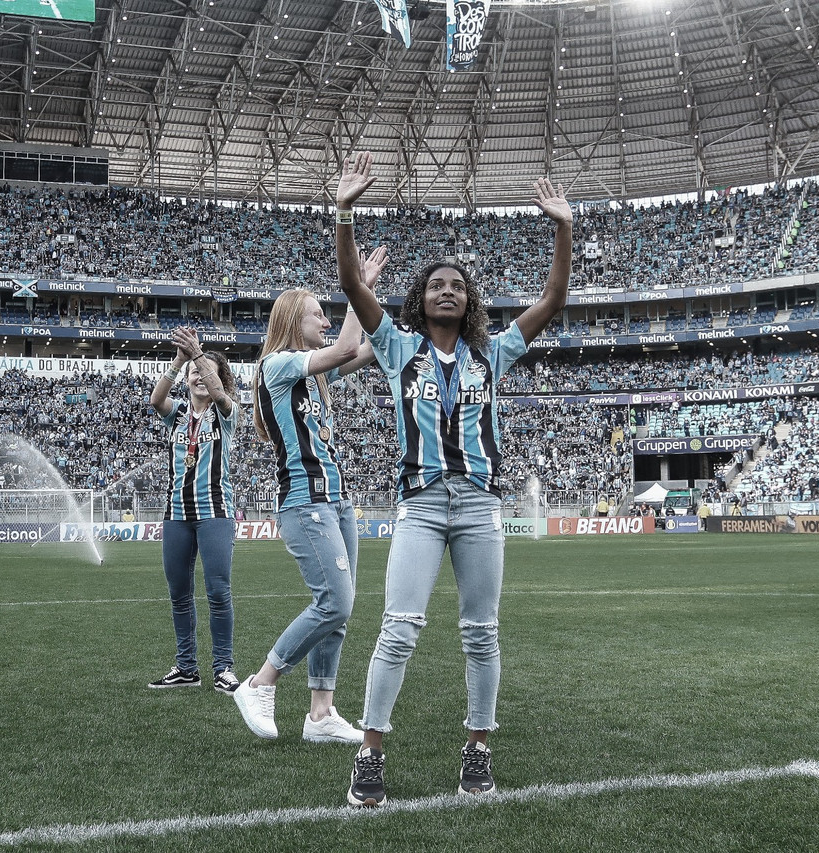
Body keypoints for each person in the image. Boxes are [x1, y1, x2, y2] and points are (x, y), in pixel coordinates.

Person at [334, 151, 573, 806]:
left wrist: (562, 227)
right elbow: (355, 289)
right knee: (400, 624)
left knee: (481, 630)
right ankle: (370, 749)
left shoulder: (492, 351)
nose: (447, 289)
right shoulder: (397, 346)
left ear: (468, 301)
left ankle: (477, 747)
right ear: (420, 297)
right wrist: (346, 212)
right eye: (436, 283)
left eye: (457, 285)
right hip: (419, 503)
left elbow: (553, 298)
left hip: (477, 505)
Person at [232, 247, 388, 744]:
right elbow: (345, 347)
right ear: (292, 320)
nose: (325, 319)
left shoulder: (312, 373)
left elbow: (364, 349)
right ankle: (260, 682)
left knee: (339, 611)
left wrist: (376, 309)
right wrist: (354, 288)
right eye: (317, 312)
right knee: (335, 604)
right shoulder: (277, 364)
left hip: (337, 502)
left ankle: (321, 713)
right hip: (306, 501)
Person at [147, 327, 241, 695]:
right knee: (179, 594)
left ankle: (223, 668)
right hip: (176, 514)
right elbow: (156, 400)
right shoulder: (178, 414)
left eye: (208, 373)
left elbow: (219, 391)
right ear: (186, 381)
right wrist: (181, 360)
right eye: (194, 375)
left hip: (215, 511)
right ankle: (186, 667)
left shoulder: (225, 412)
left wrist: (200, 356)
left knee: (218, 591)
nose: (201, 378)